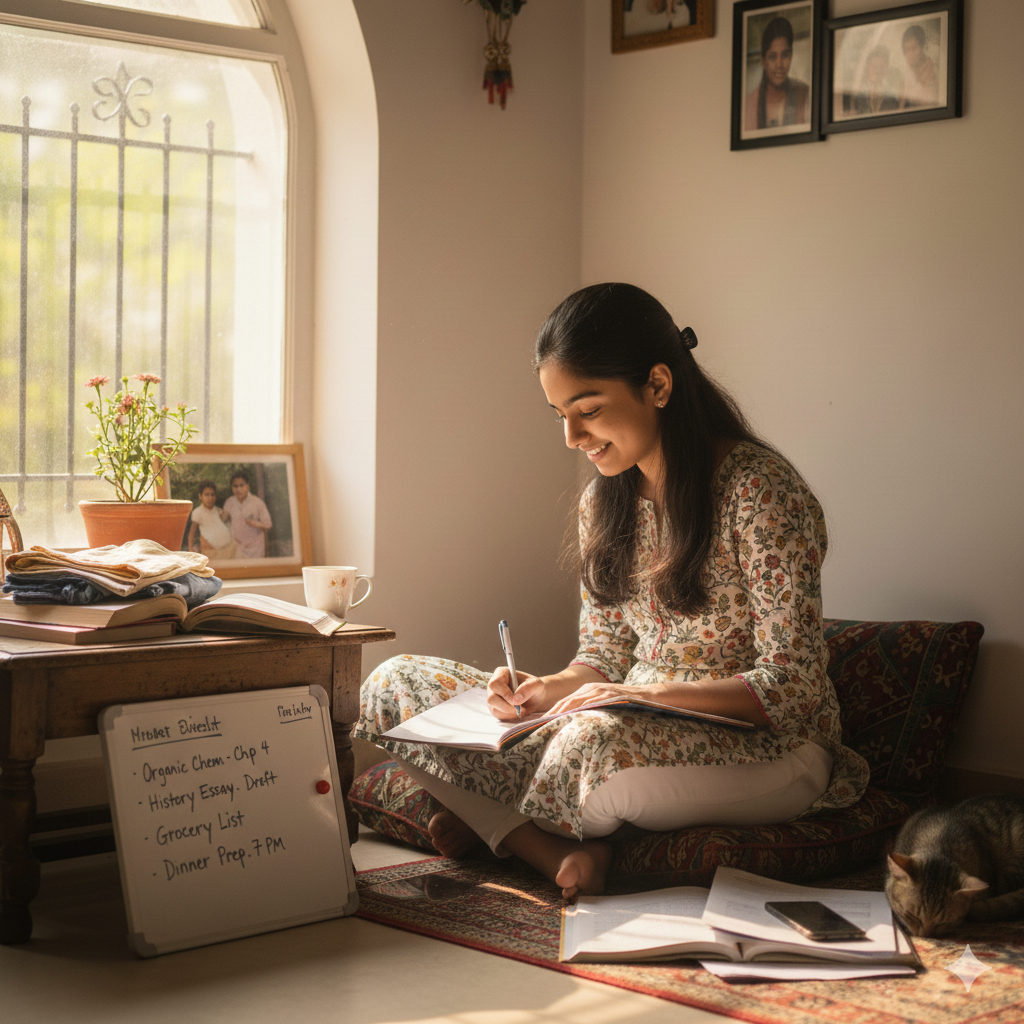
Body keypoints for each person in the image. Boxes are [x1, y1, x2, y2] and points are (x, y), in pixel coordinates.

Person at [356, 284, 869, 901]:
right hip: (622, 723)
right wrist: (543, 691)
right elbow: (601, 656)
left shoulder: (758, 492)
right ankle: (552, 851)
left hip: (772, 749)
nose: (571, 436)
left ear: (657, 385)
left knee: (584, 746)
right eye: (559, 415)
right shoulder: (604, 500)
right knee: (391, 684)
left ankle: (499, 824)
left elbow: (794, 686)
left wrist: (635, 695)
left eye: (588, 409)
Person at [743, 17, 810, 131]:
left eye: (785, 55)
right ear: (763, 61)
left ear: (791, 56)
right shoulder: (749, 104)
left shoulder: (804, 94)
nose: (779, 64)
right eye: (773, 57)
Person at [222, 470, 272, 559]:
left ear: (247, 486)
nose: (239, 489)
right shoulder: (230, 502)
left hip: (255, 549)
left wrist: (256, 523)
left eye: (242, 485)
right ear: (232, 487)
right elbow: (223, 519)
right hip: (237, 548)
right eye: (235, 486)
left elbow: (268, 524)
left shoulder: (257, 502)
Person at [187, 480, 237, 558]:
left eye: (212, 495)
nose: (210, 498)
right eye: (206, 495)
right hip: (211, 552)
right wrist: (191, 551)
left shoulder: (218, 510)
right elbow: (191, 534)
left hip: (228, 549)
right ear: (200, 496)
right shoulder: (197, 512)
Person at [848, 45, 902, 117]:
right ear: (867, 67)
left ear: (885, 70)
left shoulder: (891, 98)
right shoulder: (857, 95)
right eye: (874, 66)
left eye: (881, 67)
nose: (877, 71)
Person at [899, 24, 939, 109]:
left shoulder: (931, 73)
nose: (910, 54)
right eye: (907, 50)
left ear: (922, 47)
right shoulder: (907, 74)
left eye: (914, 48)